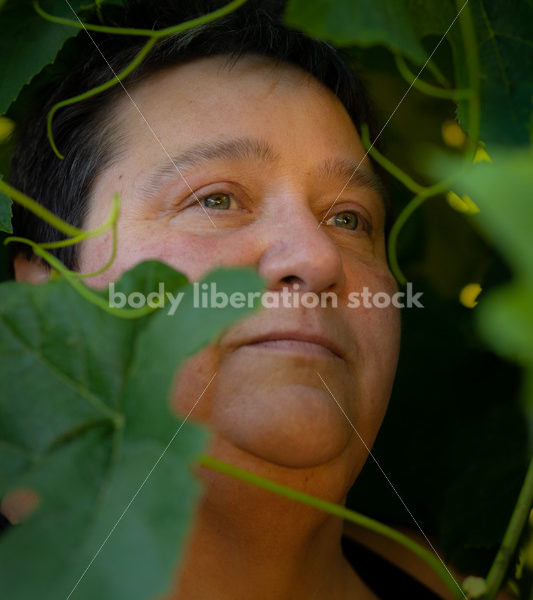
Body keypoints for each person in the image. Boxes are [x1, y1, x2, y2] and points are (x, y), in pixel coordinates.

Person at [7, 1, 488, 598]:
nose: (316, 257)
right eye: (215, 199)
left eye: (348, 217)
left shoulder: (442, 582)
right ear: (45, 297)